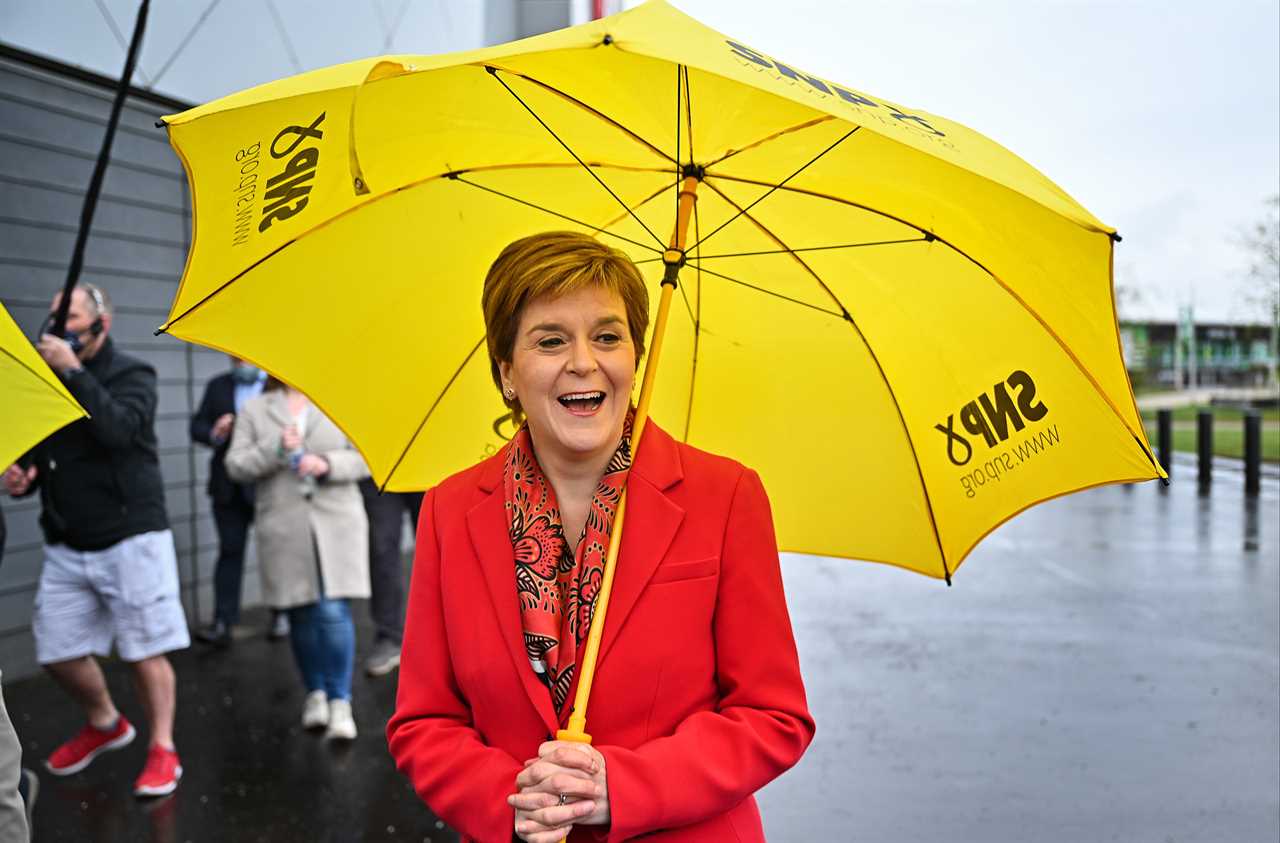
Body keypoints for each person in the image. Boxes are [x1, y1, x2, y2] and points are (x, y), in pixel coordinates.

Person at [386, 232, 814, 842]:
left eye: (607, 336)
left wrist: (625, 787)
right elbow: (425, 719)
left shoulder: (726, 496)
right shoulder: (449, 510)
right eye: (551, 340)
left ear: (636, 358)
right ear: (507, 371)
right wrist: (508, 803)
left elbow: (772, 716)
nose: (584, 361)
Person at [2, 283, 188, 798]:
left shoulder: (132, 374)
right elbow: (45, 451)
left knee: (144, 650)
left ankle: (163, 748)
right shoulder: (48, 378)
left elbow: (119, 431)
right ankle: (105, 722)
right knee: (57, 648)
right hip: (67, 541)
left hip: (131, 537)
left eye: (72, 316)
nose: (58, 326)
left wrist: (75, 372)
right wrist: (28, 476)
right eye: (53, 315)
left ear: (101, 324)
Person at [224, 379, 371, 740]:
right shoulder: (256, 409)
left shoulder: (339, 398)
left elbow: (368, 459)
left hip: (337, 520)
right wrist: (274, 449)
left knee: (332, 610)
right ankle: (315, 693)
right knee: (299, 611)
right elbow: (235, 465)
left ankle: (340, 701)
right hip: (284, 523)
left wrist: (326, 462)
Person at [189, 356, 288, 646]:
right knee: (230, 551)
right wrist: (215, 432)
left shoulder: (276, 387)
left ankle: (281, 612)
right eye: (235, 358)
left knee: (275, 550)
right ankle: (223, 620)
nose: (240, 362)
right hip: (228, 486)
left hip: (268, 483)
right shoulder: (218, 386)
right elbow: (197, 427)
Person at [357, 481, 423, 677]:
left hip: (434, 462)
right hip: (381, 471)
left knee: (438, 547)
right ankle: (388, 636)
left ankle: (443, 637)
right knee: (381, 550)